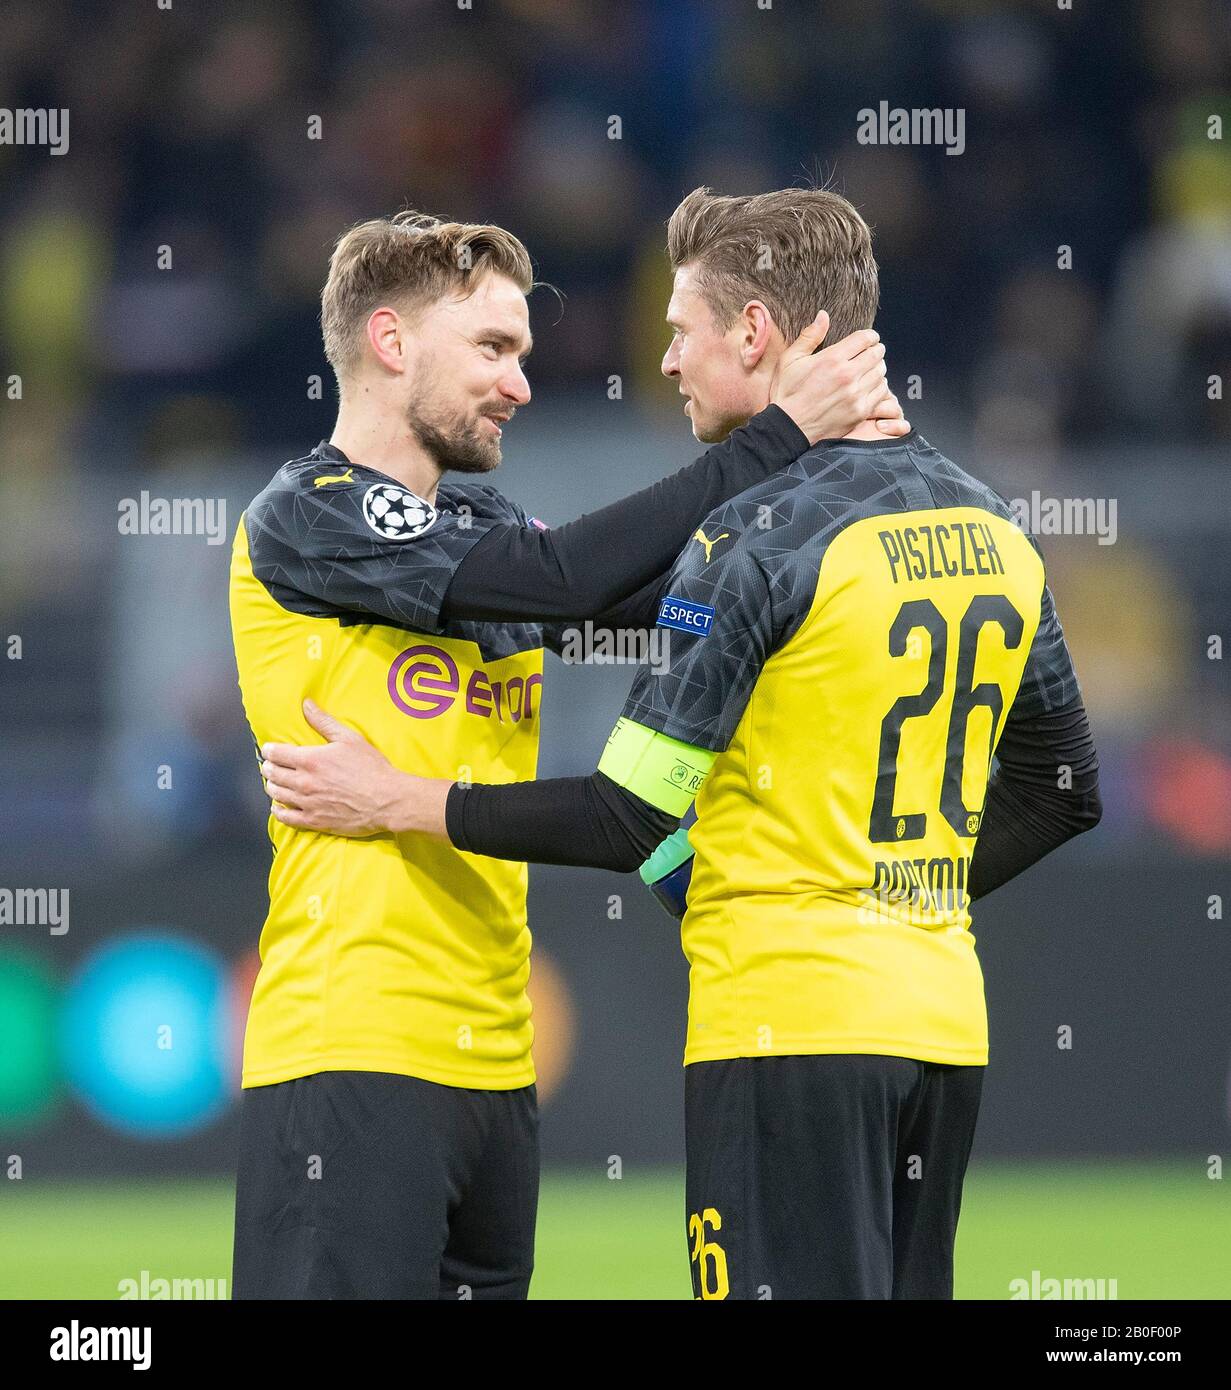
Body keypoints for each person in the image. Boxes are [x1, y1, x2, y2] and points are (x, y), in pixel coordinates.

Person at [260, 187, 1102, 1301]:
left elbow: (629, 806)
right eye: (497, 348)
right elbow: (1064, 789)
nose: (658, 362)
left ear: (751, 334)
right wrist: (903, 891)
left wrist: (409, 800)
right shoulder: (993, 524)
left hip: (775, 1020)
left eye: (676, 330)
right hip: (939, 1017)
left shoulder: (751, 548)